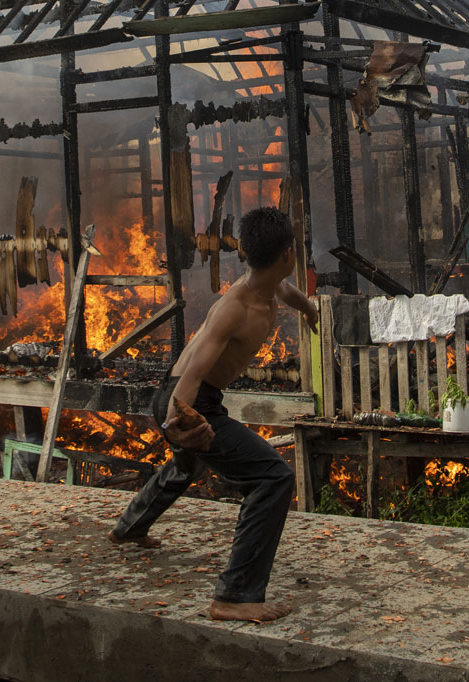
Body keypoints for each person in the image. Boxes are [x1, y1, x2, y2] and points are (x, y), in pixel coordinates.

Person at [108, 206, 319, 622]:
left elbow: (287, 291)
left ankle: (129, 528)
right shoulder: (236, 307)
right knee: (273, 477)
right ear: (287, 254)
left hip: (182, 394)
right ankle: (234, 596)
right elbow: (197, 371)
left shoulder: (266, 283)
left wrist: (309, 309)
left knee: (186, 468)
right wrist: (176, 424)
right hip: (188, 400)